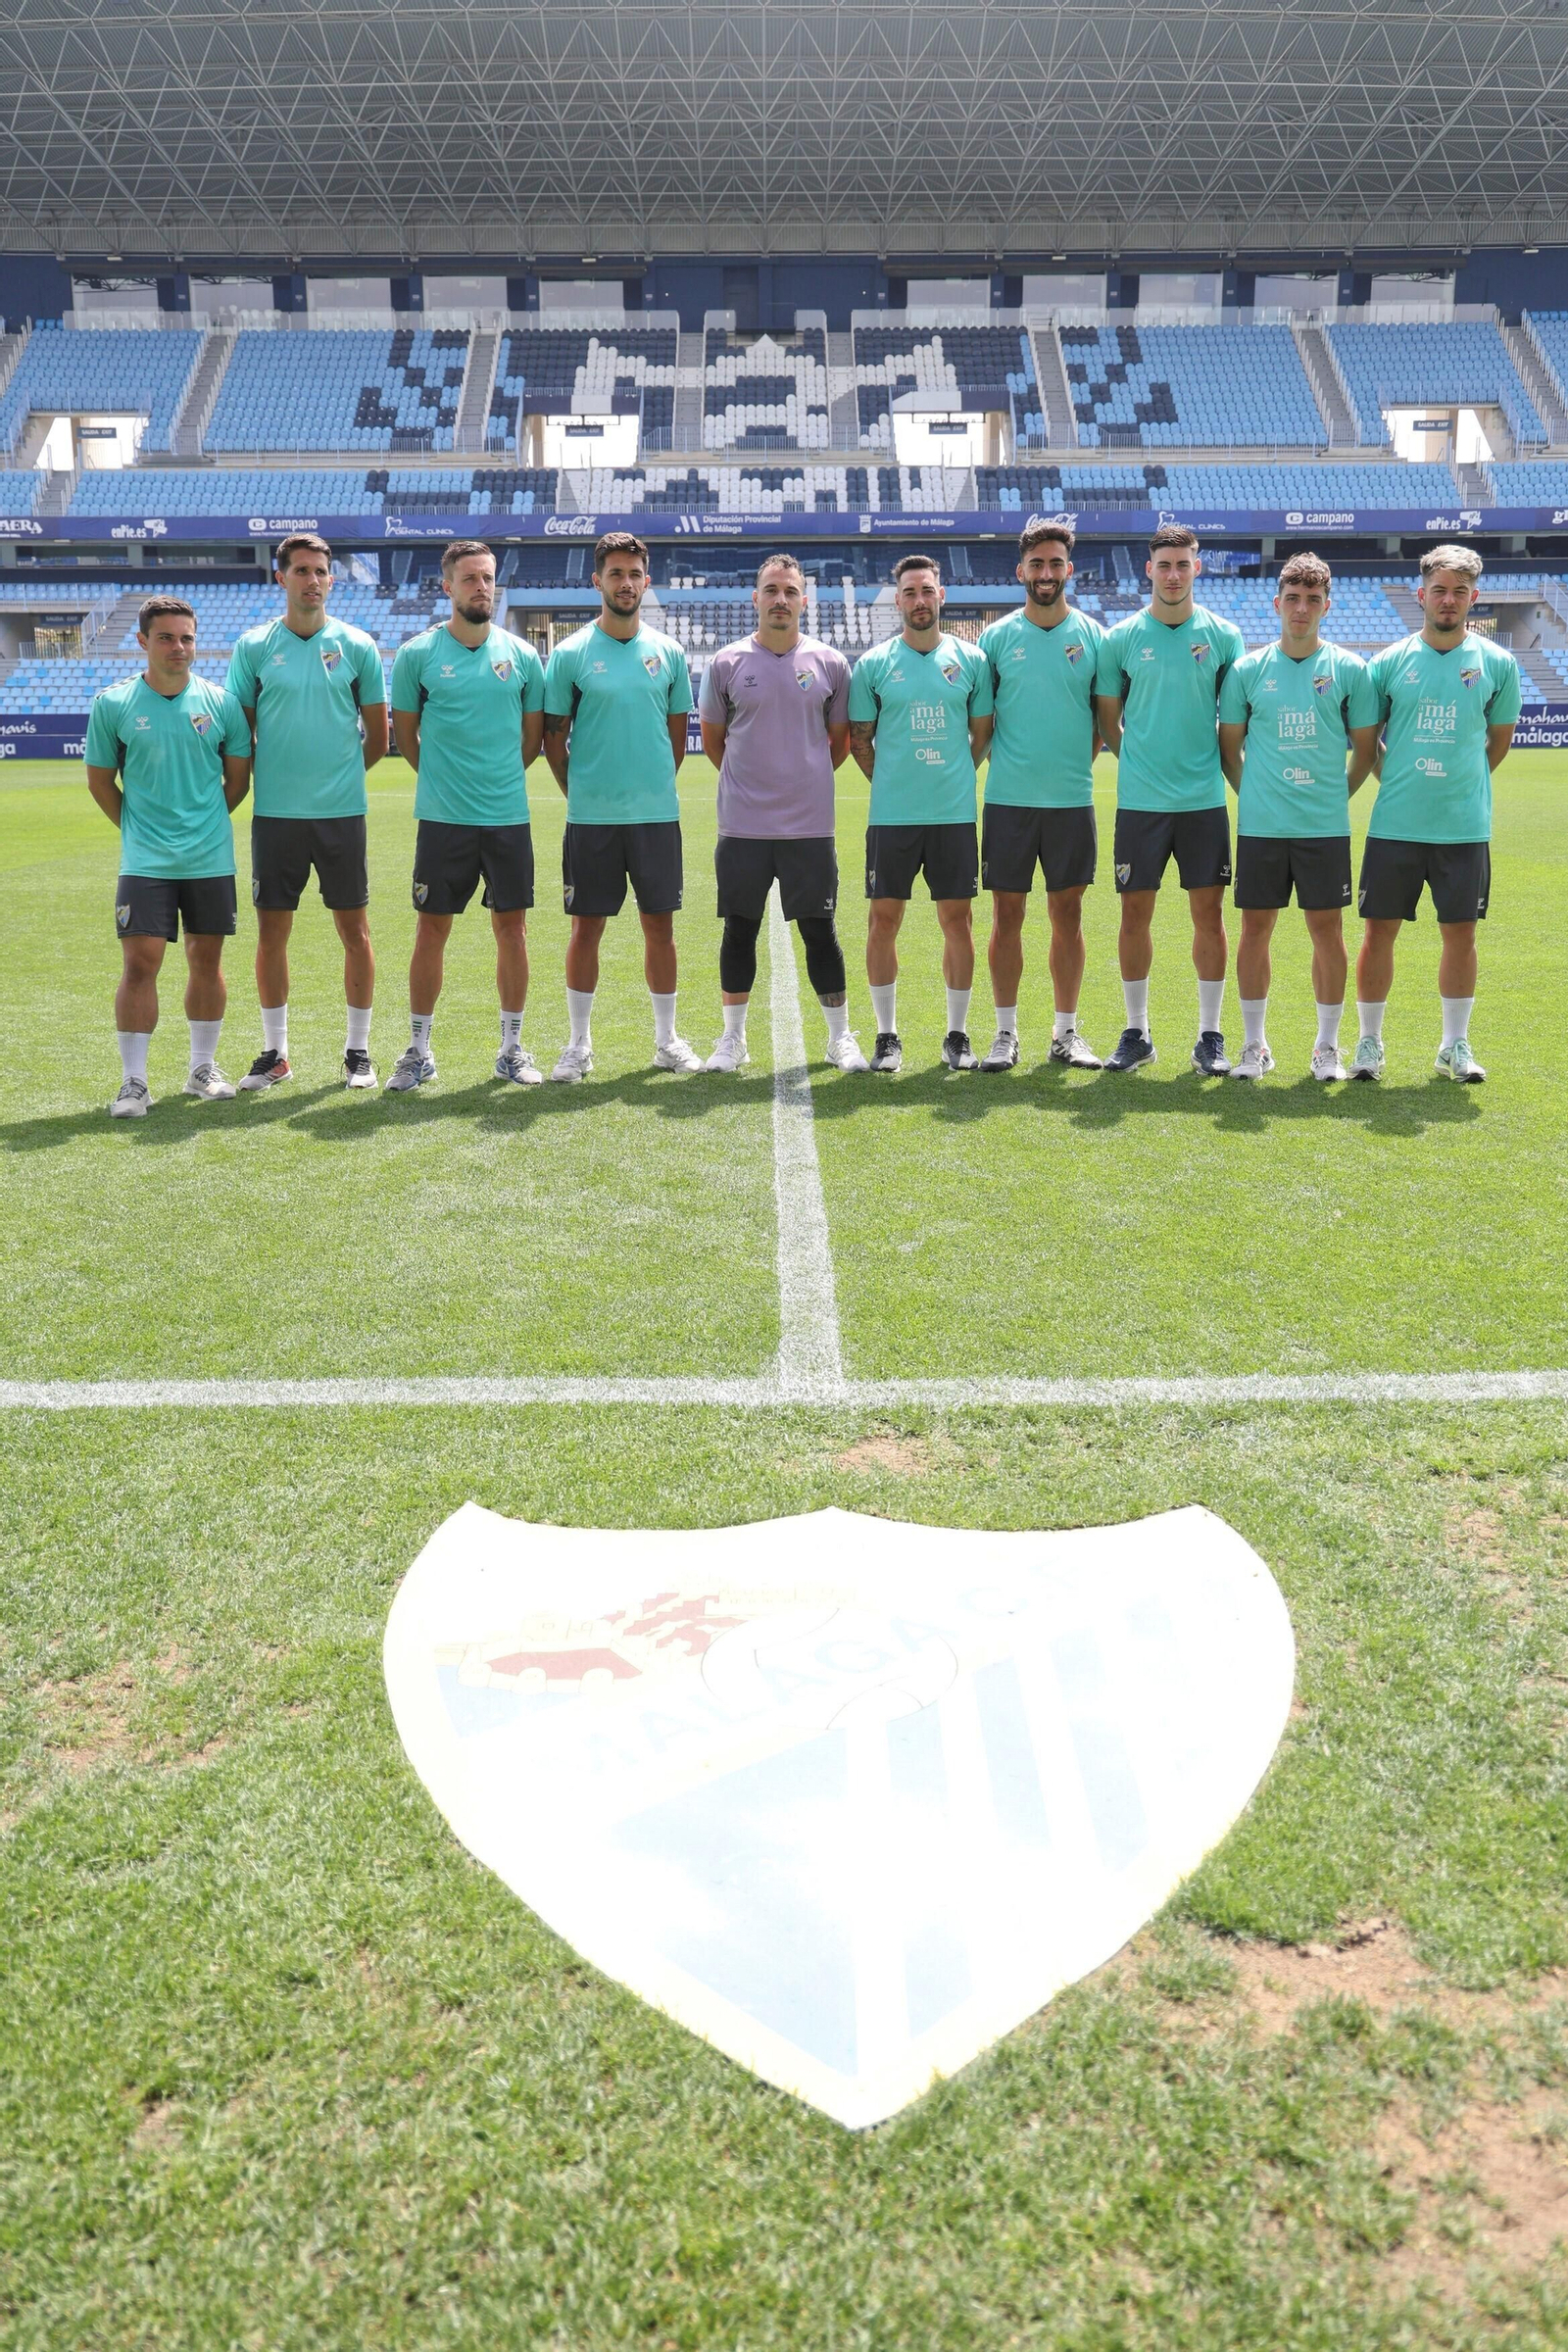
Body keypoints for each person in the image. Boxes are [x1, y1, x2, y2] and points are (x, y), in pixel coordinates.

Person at [1351, 544, 1520, 1082]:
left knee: (1461, 936)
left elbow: (1498, 744)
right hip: (1396, 825)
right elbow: (1369, 742)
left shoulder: (1498, 663)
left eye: (1460, 591)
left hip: (1463, 827)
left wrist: (1457, 783)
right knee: (1379, 934)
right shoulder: (1388, 663)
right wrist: (1402, 780)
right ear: (1421, 595)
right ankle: (1370, 1043)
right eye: (1440, 590)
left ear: (1474, 597)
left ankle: (1454, 1045)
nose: (1449, 600)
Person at [225, 532, 387, 1091]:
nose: (313, 580)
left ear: (331, 580)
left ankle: (358, 1052)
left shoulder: (359, 646)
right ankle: (276, 1052)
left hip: (342, 815)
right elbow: (239, 739)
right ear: (281, 578)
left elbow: (379, 737)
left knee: (355, 932)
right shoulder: (252, 648)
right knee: (272, 934)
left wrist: (335, 780)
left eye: (321, 571)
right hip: (276, 817)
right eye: (301, 571)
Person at [384, 540, 546, 1091]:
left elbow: (530, 742)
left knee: (513, 930)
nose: (482, 587)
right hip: (443, 820)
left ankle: (512, 1048)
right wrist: (444, 780)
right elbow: (405, 736)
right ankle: (418, 1049)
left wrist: (494, 777)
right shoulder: (417, 655)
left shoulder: (522, 656)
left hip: (507, 817)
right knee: (431, 931)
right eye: (471, 579)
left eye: (488, 577)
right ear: (447, 587)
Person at [698, 552, 867, 1073]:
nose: (780, 600)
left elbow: (838, 744)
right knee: (739, 929)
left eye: (790, 591)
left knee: (820, 930)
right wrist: (754, 785)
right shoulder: (725, 662)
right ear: (755, 598)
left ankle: (840, 1038)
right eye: (771, 590)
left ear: (805, 600)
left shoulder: (831, 663)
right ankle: (733, 1040)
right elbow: (713, 741)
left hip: (809, 826)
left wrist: (803, 778)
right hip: (743, 825)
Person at [85, 595, 252, 1117]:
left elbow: (237, 781)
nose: (178, 647)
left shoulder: (222, 704)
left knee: (207, 962)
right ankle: (133, 1082)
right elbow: (100, 781)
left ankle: (202, 1069)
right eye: (166, 637)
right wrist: (138, 828)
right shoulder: (113, 705)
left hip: (210, 860)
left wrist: (201, 824)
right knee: (140, 966)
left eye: (186, 638)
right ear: (142, 642)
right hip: (145, 863)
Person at [542, 531, 701, 1080]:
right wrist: (582, 790)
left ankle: (666, 1040)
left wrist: (647, 785)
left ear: (646, 581)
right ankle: (579, 1045)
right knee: (586, 931)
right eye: (615, 574)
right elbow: (553, 739)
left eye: (635, 574)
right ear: (597, 581)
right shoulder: (569, 655)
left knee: (661, 930)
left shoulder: (670, 653)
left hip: (656, 818)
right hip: (592, 821)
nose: (626, 583)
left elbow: (676, 740)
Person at [1217, 553, 1381, 1080]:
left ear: (1327, 606)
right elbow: (1230, 751)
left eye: (1312, 600)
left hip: (1323, 829)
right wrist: (1259, 795)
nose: (1302, 609)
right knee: (1254, 929)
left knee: (1327, 930)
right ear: (1277, 604)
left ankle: (1327, 1047)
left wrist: (1336, 796)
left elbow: (1366, 751)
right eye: (1293, 599)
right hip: (1262, 829)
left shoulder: (1351, 670)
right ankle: (1254, 1044)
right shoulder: (1247, 671)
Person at [1094, 524, 1247, 1074]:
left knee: (1209, 915)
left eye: (1183, 564)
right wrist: (1141, 763)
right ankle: (1137, 1032)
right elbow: (1109, 724)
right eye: (1165, 565)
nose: (1174, 574)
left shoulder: (1226, 637)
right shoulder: (1121, 639)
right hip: (1141, 804)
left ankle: (1210, 1035)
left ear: (1197, 568)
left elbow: (1234, 723)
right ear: (1149, 570)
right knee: (1135, 914)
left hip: (1203, 802)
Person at [848, 554, 994, 1073]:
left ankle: (957, 1035)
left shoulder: (971, 661)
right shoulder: (873, 665)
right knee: (883, 920)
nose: (919, 600)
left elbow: (981, 735)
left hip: (952, 815)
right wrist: (892, 783)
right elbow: (860, 742)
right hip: (893, 817)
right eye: (909, 592)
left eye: (927, 590)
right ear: (897, 600)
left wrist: (953, 774)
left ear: (942, 596)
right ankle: (887, 1036)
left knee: (958, 920)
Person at [977, 516, 1104, 1072]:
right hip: (1008, 800)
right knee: (1006, 914)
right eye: (1037, 564)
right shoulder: (996, 638)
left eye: (1056, 563)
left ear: (1068, 570)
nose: (1047, 573)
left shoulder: (1095, 635)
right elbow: (981, 720)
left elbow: (1102, 723)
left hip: (1072, 801)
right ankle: (1005, 1032)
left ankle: (1066, 1032)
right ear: (1021, 571)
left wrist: (1070, 763)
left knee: (1067, 915)